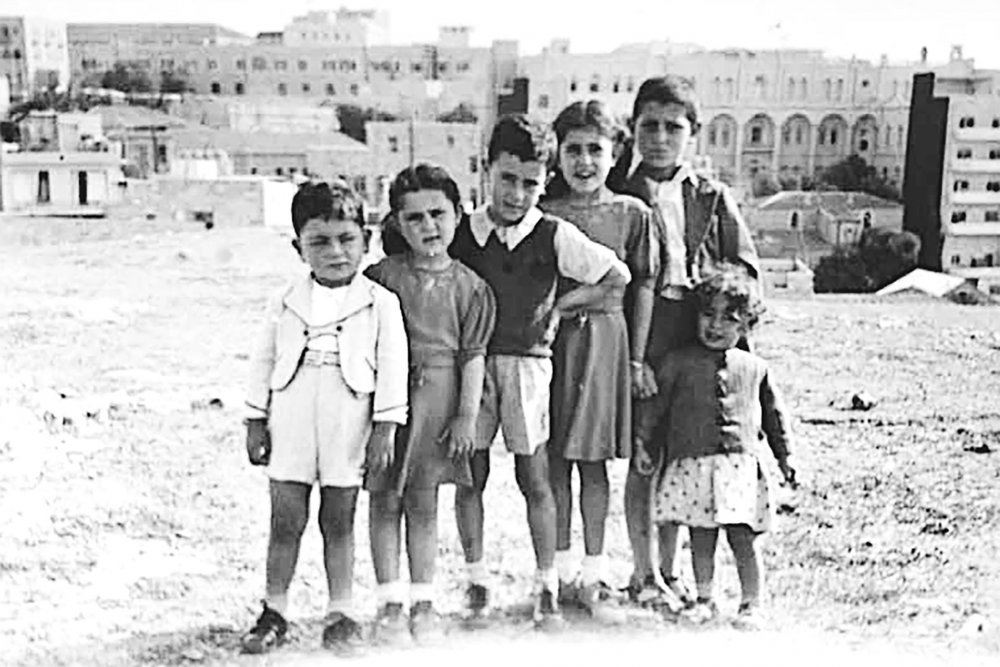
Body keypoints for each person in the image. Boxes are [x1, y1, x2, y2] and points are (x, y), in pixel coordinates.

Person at [449, 113, 632, 627]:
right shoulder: (465, 231)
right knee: (471, 473)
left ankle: (546, 582)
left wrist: (560, 308)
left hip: (529, 369)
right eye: (507, 180)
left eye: (531, 183)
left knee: (536, 477)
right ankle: (476, 578)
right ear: (487, 171)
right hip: (474, 367)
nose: (517, 194)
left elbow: (616, 275)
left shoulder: (553, 233)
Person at [607, 75, 761, 609]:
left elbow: (745, 268)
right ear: (632, 129)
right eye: (649, 125)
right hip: (642, 330)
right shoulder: (617, 193)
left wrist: (731, 336)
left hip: (699, 330)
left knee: (690, 452)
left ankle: (687, 575)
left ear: (692, 133)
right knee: (645, 453)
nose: (660, 138)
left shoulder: (712, 198)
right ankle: (644, 568)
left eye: (674, 127)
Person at [240, 181, 409, 654]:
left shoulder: (381, 302)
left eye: (345, 239)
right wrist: (255, 418)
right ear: (299, 248)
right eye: (319, 242)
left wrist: (385, 428)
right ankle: (274, 610)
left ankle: (341, 612)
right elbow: (263, 359)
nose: (335, 252)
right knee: (286, 519)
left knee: (339, 520)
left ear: (366, 240)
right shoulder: (285, 300)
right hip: (291, 412)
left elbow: (393, 368)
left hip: (348, 416)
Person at [364, 164, 497, 644]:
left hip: (440, 403)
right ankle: (389, 603)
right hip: (387, 402)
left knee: (423, 503)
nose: (428, 227)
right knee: (383, 500)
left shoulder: (471, 287)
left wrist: (466, 416)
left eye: (438, 214)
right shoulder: (381, 277)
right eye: (414, 218)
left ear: (457, 216)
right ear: (398, 223)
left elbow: (473, 356)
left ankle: (423, 601)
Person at [538, 100, 657, 622]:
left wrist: (637, 359)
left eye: (595, 149)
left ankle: (593, 572)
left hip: (606, 341)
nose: (583, 161)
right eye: (573, 150)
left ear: (615, 153)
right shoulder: (544, 213)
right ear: (557, 155)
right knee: (553, 459)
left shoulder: (633, 213)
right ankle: (558, 571)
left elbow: (644, 284)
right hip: (551, 343)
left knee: (593, 462)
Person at [632, 265, 796, 629]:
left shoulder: (755, 367)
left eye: (729, 319)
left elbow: (774, 416)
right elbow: (655, 412)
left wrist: (785, 458)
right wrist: (643, 444)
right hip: (693, 467)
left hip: (738, 468)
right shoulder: (676, 363)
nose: (716, 325)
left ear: (746, 326)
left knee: (743, 538)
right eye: (708, 315)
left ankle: (752, 603)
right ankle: (705, 598)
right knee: (701, 537)